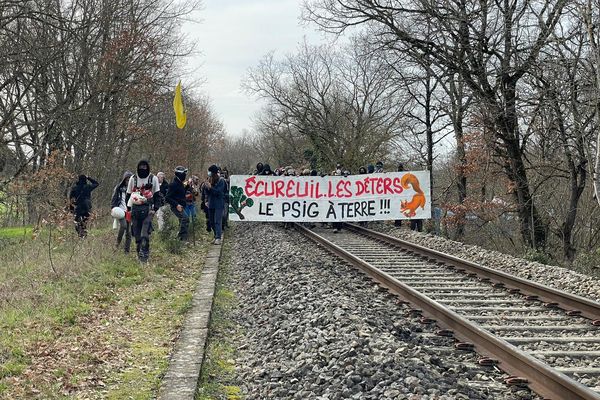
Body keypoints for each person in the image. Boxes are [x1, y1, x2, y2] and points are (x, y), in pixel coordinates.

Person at [126, 160, 161, 263]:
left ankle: (145, 255)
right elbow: (128, 195)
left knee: (144, 234)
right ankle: (139, 255)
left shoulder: (153, 178)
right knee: (137, 235)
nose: (143, 169)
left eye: (144, 167)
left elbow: (157, 196)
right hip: (135, 210)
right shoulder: (133, 179)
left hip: (148, 210)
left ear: (148, 167)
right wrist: (128, 210)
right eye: (141, 166)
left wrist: (155, 209)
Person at [165, 166, 190, 241]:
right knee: (184, 219)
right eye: (184, 173)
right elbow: (167, 197)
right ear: (179, 174)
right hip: (176, 207)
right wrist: (176, 205)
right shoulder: (173, 184)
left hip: (182, 206)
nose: (185, 175)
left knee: (184, 220)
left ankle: (181, 238)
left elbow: (180, 194)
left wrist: (187, 186)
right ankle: (182, 239)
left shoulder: (180, 183)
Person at [111, 171, 133, 252]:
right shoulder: (118, 188)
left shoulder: (134, 189)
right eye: (126, 180)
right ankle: (117, 243)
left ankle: (126, 251)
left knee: (129, 232)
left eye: (129, 180)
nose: (128, 181)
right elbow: (114, 198)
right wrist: (113, 208)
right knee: (123, 226)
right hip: (121, 211)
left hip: (130, 211)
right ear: (124, 180)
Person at [206, 164, 226, 245]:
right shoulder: (210, 179)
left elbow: (218, 192)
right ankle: (215, 235)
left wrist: (211, 188)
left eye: (210, 172)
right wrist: (206, 187)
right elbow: (208, 193)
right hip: (211, 203)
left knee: (217, 221)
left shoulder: (221, 181)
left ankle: (218, 237)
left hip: (218, 203)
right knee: (211, 221)